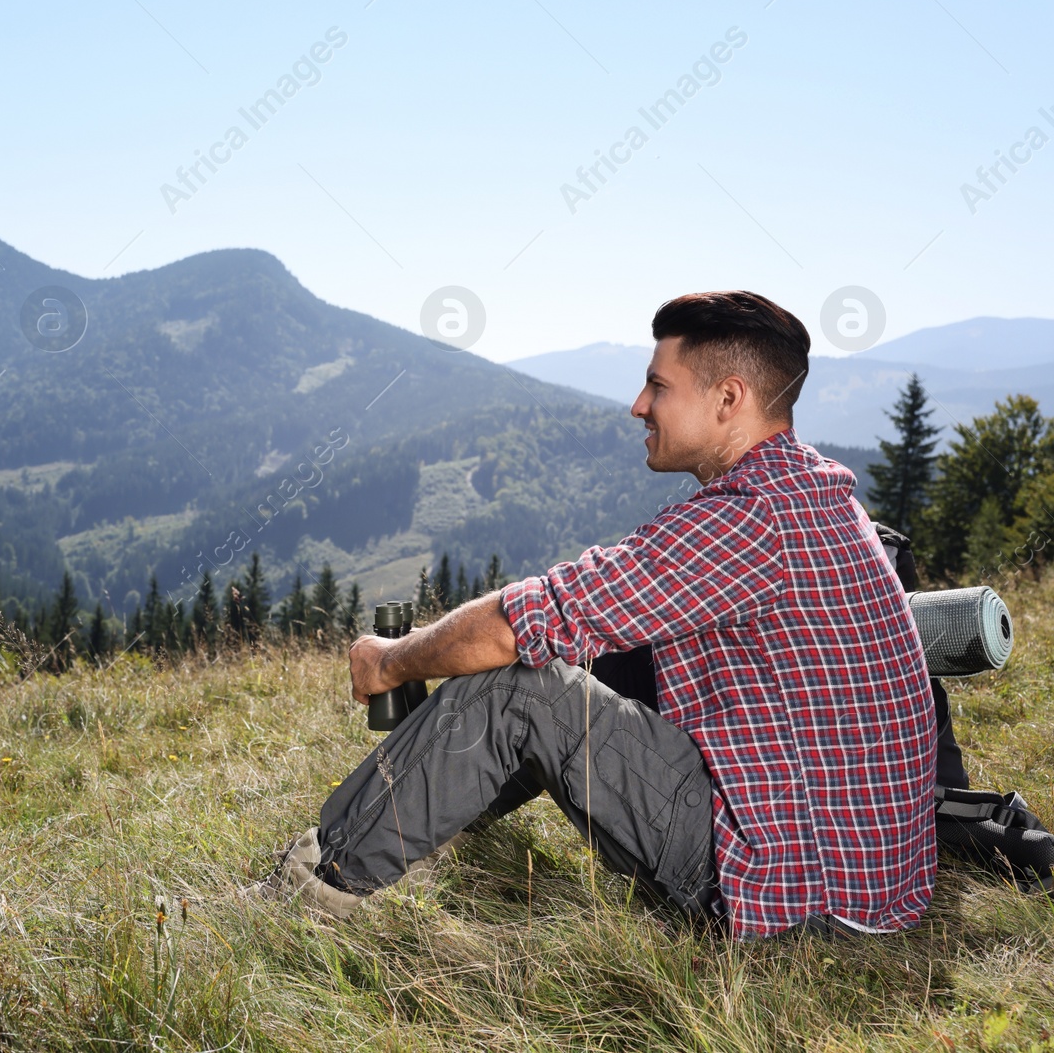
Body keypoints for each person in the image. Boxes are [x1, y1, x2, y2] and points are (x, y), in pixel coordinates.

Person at [246, 290, 937, 941]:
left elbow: (519, 624)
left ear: (730, 398)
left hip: (799, 894)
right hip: (862, 880)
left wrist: (387, 661)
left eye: (660, 386)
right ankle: (428, 817)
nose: (639, 405)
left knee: (517, 684)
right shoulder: (812, 490)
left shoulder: (746, 518)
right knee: (567, 664)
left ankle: (306, 894)